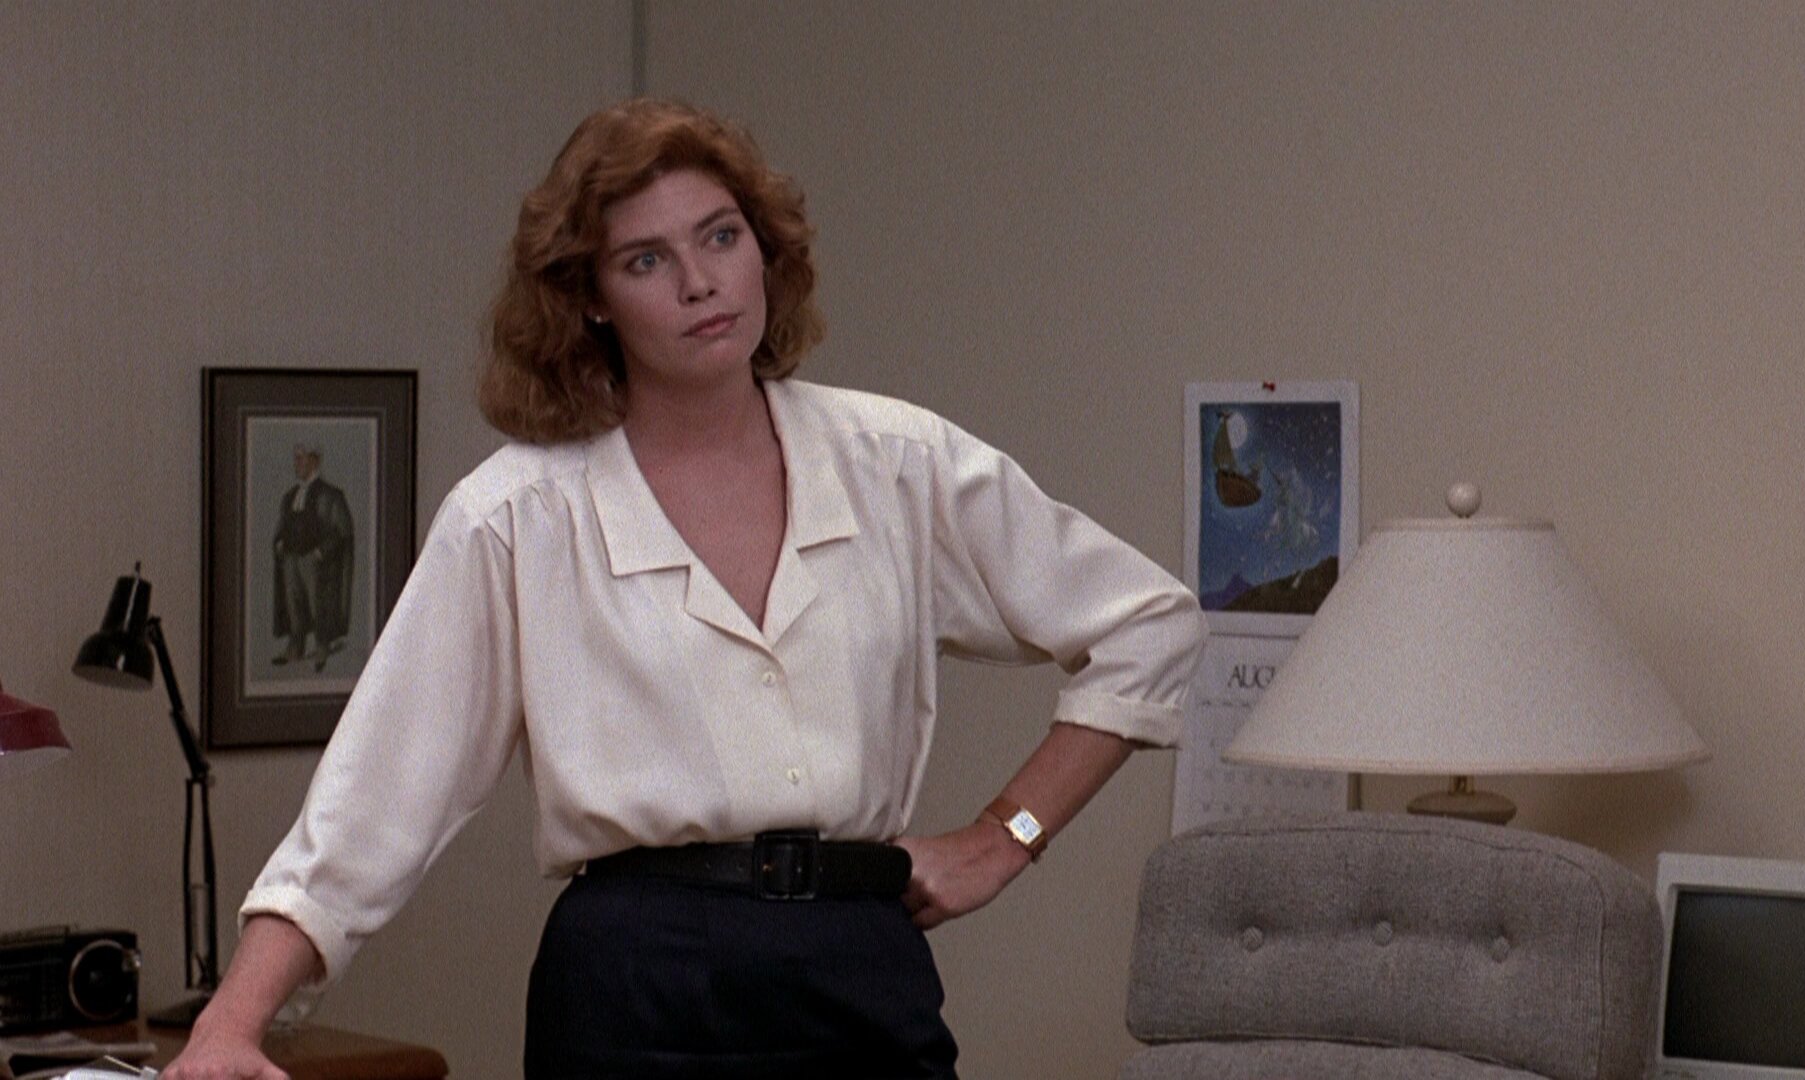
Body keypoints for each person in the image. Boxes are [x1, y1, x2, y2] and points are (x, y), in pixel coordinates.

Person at [162, 98, 1205, 1079]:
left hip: (859, 960)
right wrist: (229, 1026)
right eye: (647, 259)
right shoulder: (519, 515)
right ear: (590, 298)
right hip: (633, 983)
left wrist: (1003, 839)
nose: (700, 282)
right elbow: (373, 802)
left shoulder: (899, 463)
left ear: (766, 251)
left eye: (721, 236)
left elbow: (1147, 624)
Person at [269, 444, 353, 672]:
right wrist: (280, 542)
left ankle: (322, 647)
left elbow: (343, 531)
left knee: (319, 606)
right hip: (291, 560)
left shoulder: (330, 495)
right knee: (293, 605)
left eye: (301, 459)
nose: (296, 464)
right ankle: (295, 648)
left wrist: (321, 552)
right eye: (296, 459)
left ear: (314, 462)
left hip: (314, 562)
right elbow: (284, 525)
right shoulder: (290, 496)